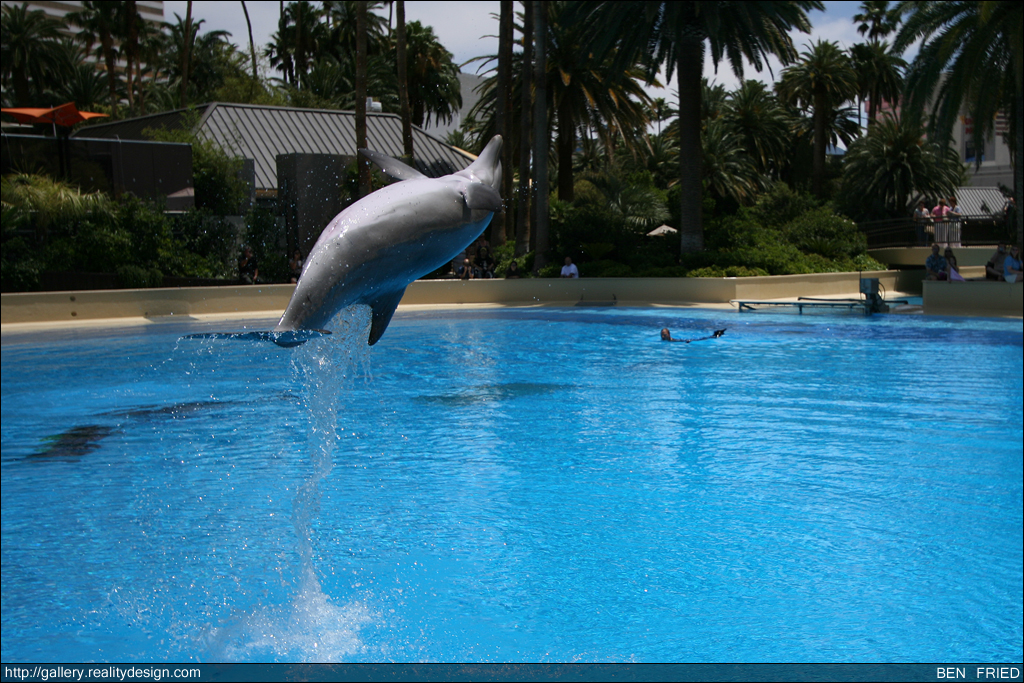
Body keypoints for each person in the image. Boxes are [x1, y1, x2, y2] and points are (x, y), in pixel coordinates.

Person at [661, 328, 726, 343]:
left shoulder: (672, 340)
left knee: (702, 339)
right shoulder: (663, 341)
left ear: (669, 334)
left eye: (664, 334)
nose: (663, 336)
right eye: (662, 335)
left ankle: (716, 334)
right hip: (685, 340)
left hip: (687, 340)